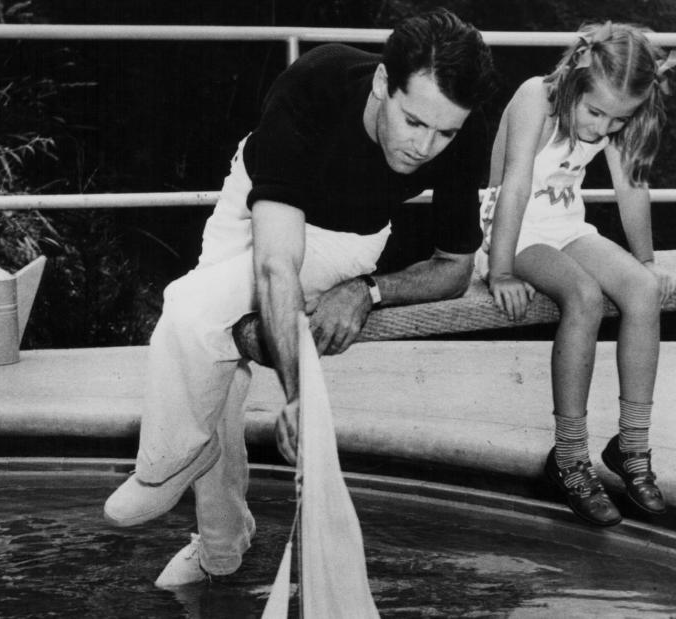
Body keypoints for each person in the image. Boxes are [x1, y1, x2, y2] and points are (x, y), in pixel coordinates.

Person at [103, 8, 496, 587]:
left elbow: (455, 268)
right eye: (414, 122)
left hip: (345, 240)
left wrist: (370, 290)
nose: (426, 147)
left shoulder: (455, 126)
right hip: (256, 199)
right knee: (208, 351)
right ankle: (221, 544)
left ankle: (165, 465)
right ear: (384, 84)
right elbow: (275, 261)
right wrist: (294, 397)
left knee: (189, 312)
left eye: (445, 133)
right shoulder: (317, 82)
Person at [478, 22, 676, 526]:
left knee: (641, 290)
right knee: (584, 297)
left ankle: (631, 447)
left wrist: (647, 261)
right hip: (512, 227)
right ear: (576, 77)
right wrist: (500, 270)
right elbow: (515, 187)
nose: (601, 129)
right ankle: (569, 456)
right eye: (594, 113)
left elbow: (631, 187)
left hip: (565, 225)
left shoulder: (611, 113)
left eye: (617, 120)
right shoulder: (536, 99)